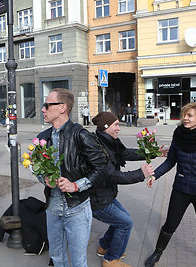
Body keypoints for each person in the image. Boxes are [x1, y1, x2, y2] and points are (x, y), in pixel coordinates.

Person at [145, 103, 196, 267]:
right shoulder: (178, 136)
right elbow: (170, 161)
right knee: (170, 225)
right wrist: (155, 175)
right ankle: (157, 253)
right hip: (181, 189)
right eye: (184, 114)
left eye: (190, 115)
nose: (185, 118)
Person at [36, 88, 107, 267]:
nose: (43, 109)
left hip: (77, 209)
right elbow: (35, 168)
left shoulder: (80, 135)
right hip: (53, 210)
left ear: (62, 108)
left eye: (47, 105)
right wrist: (43, 177)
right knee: (57, 257)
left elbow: (101, 167)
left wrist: (76, 185)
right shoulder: (42, 138)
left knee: (78, 261)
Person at [90, 112, 166, 267]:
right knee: (125, 223)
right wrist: (141, 174)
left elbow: (125, 153)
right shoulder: (98, 148)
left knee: (122, 218)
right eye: (116, 124)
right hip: (97, 199)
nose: (119, 128)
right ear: (105, 126)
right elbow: (113, 176)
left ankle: (104, 247)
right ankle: (111, 259)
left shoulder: (110, 141)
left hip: (105, 194)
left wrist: (153, 153)